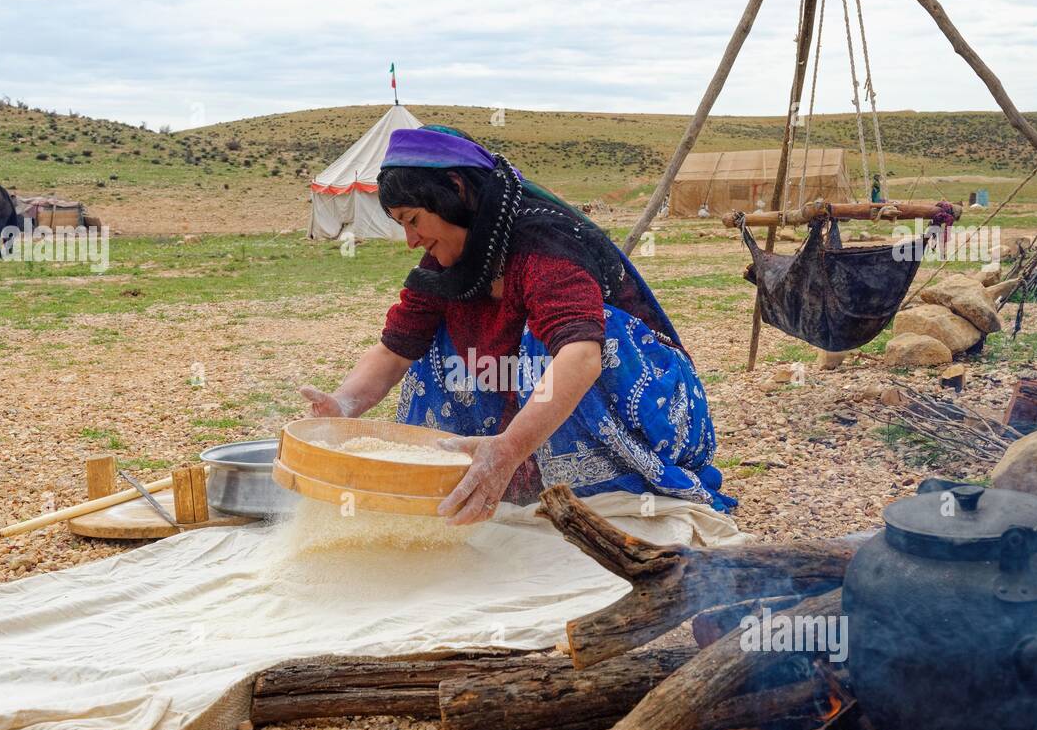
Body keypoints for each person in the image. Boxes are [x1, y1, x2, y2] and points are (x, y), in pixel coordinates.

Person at [300, 125, 735, 525]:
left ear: (455, 190)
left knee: (557, 341)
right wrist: (343, 407)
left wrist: (508, 449)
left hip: (651, 413)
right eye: (401, 226)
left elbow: (582, 355)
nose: (411, 240)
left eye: (414, 219)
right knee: (432, 346)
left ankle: (593, 483)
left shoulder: (543, 242)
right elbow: (395, 349)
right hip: (529, 400)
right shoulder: (445, 263)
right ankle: (488, 471)